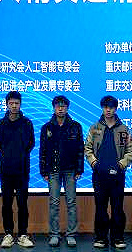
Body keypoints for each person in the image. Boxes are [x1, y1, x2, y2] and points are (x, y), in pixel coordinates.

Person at [84, 95, 132, 250]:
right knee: (100, 207)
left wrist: (122, 164)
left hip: (118, 175)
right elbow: (87, 148)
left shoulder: (124, 129)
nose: (108, 110)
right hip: (99, 175)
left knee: (117, 207)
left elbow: (131, 150)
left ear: (115, 109)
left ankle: (118, 238)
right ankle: (101, 238)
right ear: (102, 108)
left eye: (111, 107)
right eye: (106, 107)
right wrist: (94, 163)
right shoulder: (94, 128)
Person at [38, 95, 84, 247]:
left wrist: (79, 169)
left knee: (71, 202)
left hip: (70, 170)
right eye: (58, 106)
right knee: (54, 203)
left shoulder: (75, 126)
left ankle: (71, 234)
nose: (60, 108)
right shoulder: (47, 127)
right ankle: (54, 234)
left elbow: (80, 149)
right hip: (53, 170)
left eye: (63, 106)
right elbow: (43, 150)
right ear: (53, 108)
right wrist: (43, 171)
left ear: (67, 108)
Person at [0, 91, 36, 248]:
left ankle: (23, 234)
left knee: (22, 203)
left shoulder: (27, 123)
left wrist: (20, 156)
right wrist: (8, 156)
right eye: (11, 103)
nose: (14, 106)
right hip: (6, 170)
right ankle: (8, 234)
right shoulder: (1, 124)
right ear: (7, 105)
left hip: (22, 170)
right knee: (6, 204)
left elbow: (30, 143)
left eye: (16, 103)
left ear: (20, 104)